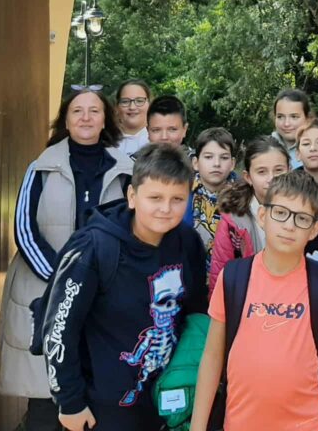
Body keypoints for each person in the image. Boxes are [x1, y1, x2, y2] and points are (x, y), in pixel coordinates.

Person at [40, 144, 207, 431]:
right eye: (155, 197)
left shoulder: (188, 242)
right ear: (132, 196)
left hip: (167, 400)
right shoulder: (94, 247)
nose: (166, 209)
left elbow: (195, 313)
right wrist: (70, 402)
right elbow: (59, 328)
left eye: (177, 199)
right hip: (103, 409)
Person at [0, 88, 134, 431]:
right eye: (77, 111)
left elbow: (135, 230)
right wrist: (64, 277)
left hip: (103, 295)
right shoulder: (40, 168)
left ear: (105, 120)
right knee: (46, 398)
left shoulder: (126, 171)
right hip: (45, 289)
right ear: (66, 120)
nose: (86, 117)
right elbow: (24, 229)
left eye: (94, 111)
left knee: (96, 392)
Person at [189, 170, 318, 431]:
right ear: (263, 216)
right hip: (240, 424)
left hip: (308, 424)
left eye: (302, 218)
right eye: (280, 213)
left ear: (314, 230)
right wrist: (197, 427)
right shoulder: (233, 277)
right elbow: (212, 357)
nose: (289, 225)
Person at [208, 136, 291, 291]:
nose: (271, 179)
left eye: (279, 170)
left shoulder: (303, 211)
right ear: (248, 177)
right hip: (247, 297)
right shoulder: (234, 219)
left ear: (289, 170)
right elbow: (220, 272)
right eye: (262, 172)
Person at [190, 127, 237, 273]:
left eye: (224, 157)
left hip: (230, 275)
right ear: (196, 163)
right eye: (208, 157)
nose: (216, 163)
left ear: (232, 164)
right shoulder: (182, 194)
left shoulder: (242, 197)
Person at [272, 88, 314, 169]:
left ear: (307, 118)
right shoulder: (264, 149)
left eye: (294, 117)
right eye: (280, 117)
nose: (286, 124)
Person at [116, 80, 153, 156]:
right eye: (125, 101)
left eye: (139, 101)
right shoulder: (105, 143)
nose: (132, 107)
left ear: (150, 105)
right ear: (117, 107)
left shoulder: (160, 141)